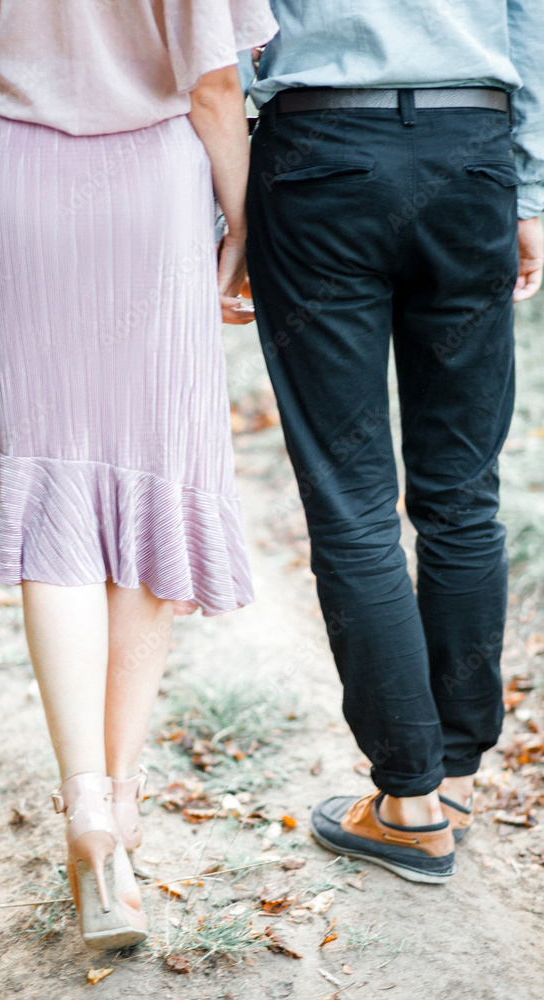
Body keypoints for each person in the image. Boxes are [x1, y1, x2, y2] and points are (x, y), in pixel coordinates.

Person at [0, 0, 278, 950]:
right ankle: (119, 811)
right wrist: (245, 225)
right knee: (145, 478)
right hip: (144, 192)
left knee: (54, 506)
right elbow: (211, 85)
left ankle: (87, 804)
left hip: (9, 171)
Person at [245, 1, 544, 883]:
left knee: (351, 502)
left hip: (319, 155)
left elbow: (220, 30)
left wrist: (223, 212)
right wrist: (528, 191)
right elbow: (528, 19)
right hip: (469, 146)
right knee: (461, 493)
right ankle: (447, 778)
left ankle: (409, 803)